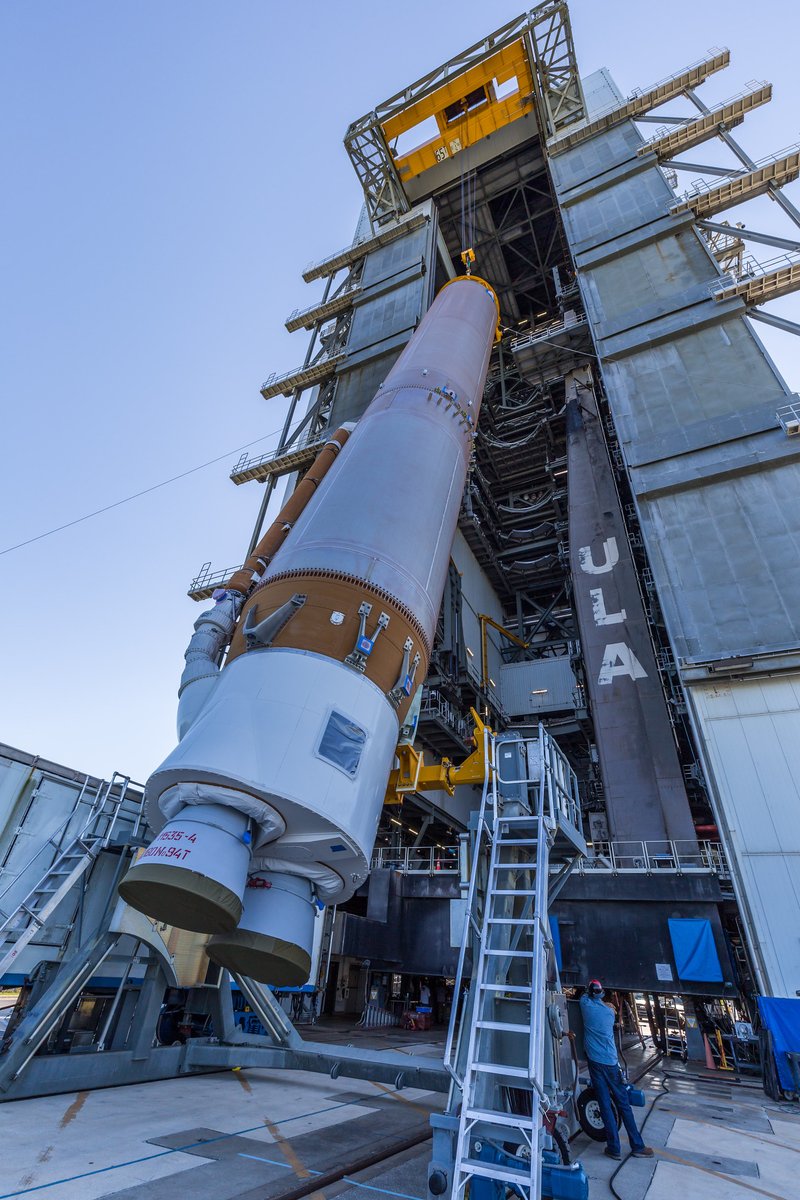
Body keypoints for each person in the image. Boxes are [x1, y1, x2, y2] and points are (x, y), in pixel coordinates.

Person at [576, 979, 654, 1161]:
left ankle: (614, 1148)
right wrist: (608, 1004)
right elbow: (607, 1006)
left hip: (595, 1064)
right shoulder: (609, 1013)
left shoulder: (586, 1006)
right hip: (611, 1064)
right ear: (602, 995)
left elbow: (583, 996)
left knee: (604, 1105)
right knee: (623, 1105)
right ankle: (637, 1146)